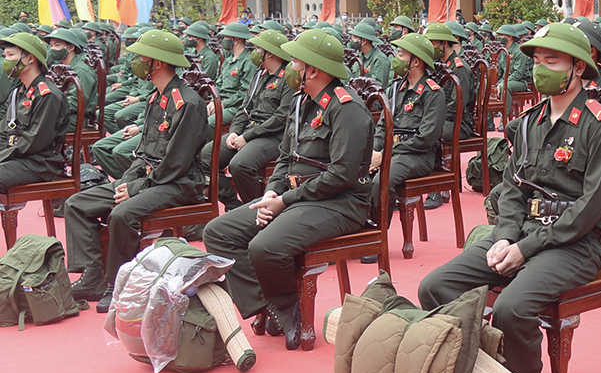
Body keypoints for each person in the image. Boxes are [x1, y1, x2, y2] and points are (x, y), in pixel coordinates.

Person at [417, 24, 601, 373]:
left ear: (578, 68)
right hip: (523, 233)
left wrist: (526, 248)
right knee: (435, 287)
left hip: (574, 245)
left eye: (552, 61)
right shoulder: (529, 121)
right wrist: (505, 236)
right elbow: (512, 188)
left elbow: (591, 208)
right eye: (536, 61)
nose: (540, 69)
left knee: (513, 308)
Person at [202, 29, 375, 349]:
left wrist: (284, 200)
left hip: (340, 203)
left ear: (315, 69)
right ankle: (267, 301)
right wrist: (271, 192)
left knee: (263, 246)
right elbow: (285, 157)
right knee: (217, 232)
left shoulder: (348, 109)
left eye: (296, 62)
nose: (291, 68)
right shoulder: (301, 103)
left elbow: (340, 176)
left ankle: (285, 305)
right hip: (297, 196)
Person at [67, 30, 206, 312]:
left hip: (178, 184)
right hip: (150, 178)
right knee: (76, 204)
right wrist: (128, 181)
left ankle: (116, 285)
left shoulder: (188, 103)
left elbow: (176, 163)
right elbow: (142, 152)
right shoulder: (157, 97)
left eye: (143, 57)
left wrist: (136, 188)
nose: (137, 61)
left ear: (157, 63)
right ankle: (92, 275)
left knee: (122, 214)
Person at [362, 32, 446, 260]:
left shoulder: (433, 93)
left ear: (416, 61)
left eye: (400, 54)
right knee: (357, 171)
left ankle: (376, 238)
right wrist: (376, 151)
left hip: (418, 155)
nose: (395, 59)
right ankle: (359, 230)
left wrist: (386, 154)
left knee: (382, 179)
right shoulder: (395, 89)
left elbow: (426, 138)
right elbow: (382, 127)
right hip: (393, 152)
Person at [205, 28, 294, 208]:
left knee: (241, 164)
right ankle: (233, 205)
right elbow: (245, 107)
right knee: (206, 157)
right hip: (249, 131)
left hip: (273, 136)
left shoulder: (288, 79)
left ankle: (253, 208)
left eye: (260, 49)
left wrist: (247, 136)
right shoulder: (260, 74)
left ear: (271, 54)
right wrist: (235, 131)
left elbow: (281, 118)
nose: (256, 52)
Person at [0, 32, 69, 192]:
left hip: (39, 162)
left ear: (30, 58)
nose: (6, 61)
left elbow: (35, 141)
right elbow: (4, 131)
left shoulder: (48, 95)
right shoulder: (18, 92)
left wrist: (2, 156)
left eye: (11, 55)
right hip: (18, 156)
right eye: (5, 55)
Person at [43, 27, 96, 136]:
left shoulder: (81, 71)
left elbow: (76, 103)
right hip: (61, 114)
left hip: (76, 119)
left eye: (57, 45)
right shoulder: (60, 67)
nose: (52, 49)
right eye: (51, 45)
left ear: (71, 47)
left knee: (38, 128)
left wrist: (49, 108)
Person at [347, 22, 392, 88]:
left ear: (364, 41)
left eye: (355, 38)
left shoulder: (380, 59)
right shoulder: (359, 56)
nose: (351, 41)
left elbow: (377, 87)